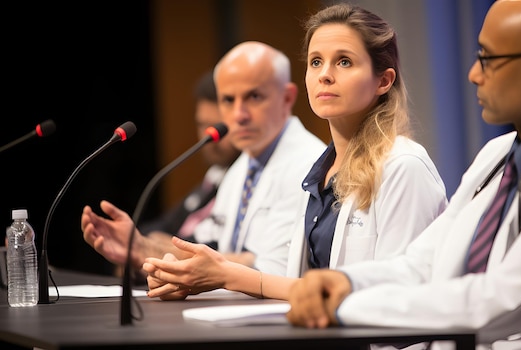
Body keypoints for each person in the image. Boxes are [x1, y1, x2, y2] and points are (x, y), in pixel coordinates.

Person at [286, 1, 521, 349]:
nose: (474, 74)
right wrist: (345, 284)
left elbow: (505, 302)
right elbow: (424, 261)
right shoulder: (499, 153)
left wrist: (348, 307)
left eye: (488, 59)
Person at [141, 4, 447, 302]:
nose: (324, 75)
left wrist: (226, 275)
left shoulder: (404, 167)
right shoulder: (318, 174)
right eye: (316, 62)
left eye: (343, 62)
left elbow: (398, 293)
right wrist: (193, 277)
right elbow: (301, 285)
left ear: (383, 80)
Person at [82, 41, 326, 277]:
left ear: (287, 98)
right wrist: (141, 249)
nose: (238, 115)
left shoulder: (309, 166)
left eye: (254, 97)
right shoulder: (241, 168)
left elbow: (272, 269)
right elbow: (209, 250)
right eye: (228, 100)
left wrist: (146, 250)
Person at [82, 70, 240, 273]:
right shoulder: (214, 176)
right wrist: (139, 242)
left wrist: (154, 247)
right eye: (202, 124)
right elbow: (164, 225)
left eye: (218, 127)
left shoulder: (244, 181)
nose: (209, 136)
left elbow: (219, 248)